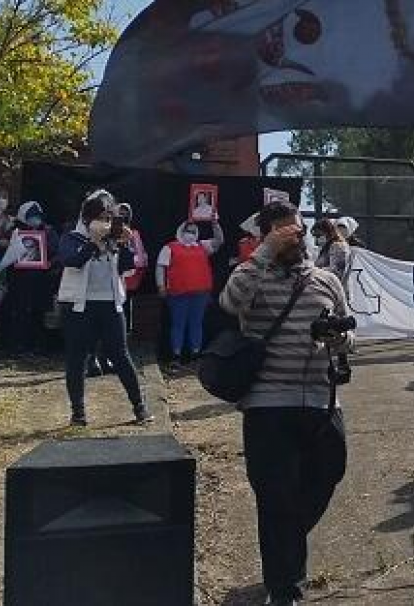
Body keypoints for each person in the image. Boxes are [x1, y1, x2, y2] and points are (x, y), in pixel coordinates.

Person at [220, 200, 352, 606]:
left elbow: (349, 335)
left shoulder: (326, 280)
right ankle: (284, 587)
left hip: (320, 399)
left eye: (294, 230)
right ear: (265, 236)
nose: (291, 238)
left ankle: (284, 547)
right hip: (267, 403)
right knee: (275, 495)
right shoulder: (250, 275)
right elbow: (230, 303)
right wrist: (264, 252)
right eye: (280, 232)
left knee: (328, 473)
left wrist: (338, 340)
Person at [56, 190, 152, 426]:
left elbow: (128, 268)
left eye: (109, 218)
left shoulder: (114, 241)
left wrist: (125, 244)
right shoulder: (73, 237)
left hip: (110, 303)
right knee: (77, 357)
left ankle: (139, 406)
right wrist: (94, 241)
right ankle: (78, 413)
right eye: (101, 217)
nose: (105, 223)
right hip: (78, 306)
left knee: (120, 355)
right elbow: (72, 261)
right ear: (87, 218)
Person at [156, 220, 224, 363]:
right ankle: (176, 354)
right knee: (178, 323)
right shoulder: (170, 247)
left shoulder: (202, 246)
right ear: (181, 231)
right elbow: (160, 267)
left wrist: (215, 224)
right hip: (178, 293)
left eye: (194, 231)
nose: (191, 234)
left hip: (200, 292)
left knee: (196, 323)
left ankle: (195, 353)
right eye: (188, 230)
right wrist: (161, 285)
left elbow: (219, 241)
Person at [0, 201, 59, 355]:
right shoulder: (14, 231)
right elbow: (5, 255)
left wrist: (49, 260)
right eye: (31, 216)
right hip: (19, 281)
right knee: (19, 312)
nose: (35, 219)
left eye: (37, 216)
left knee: (39, 313)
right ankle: (18, 344)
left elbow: (56, 252)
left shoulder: (48, 231)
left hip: (42, 281)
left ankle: (38, 345)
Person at [311, 218, 351, 293]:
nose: (316, 239)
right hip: (328, 290)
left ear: (328, 232)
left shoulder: (338, 246)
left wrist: (313, 272)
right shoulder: (327, 247)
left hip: (335, 292)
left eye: (318, 235)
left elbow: (336, 272)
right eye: (314, 236)